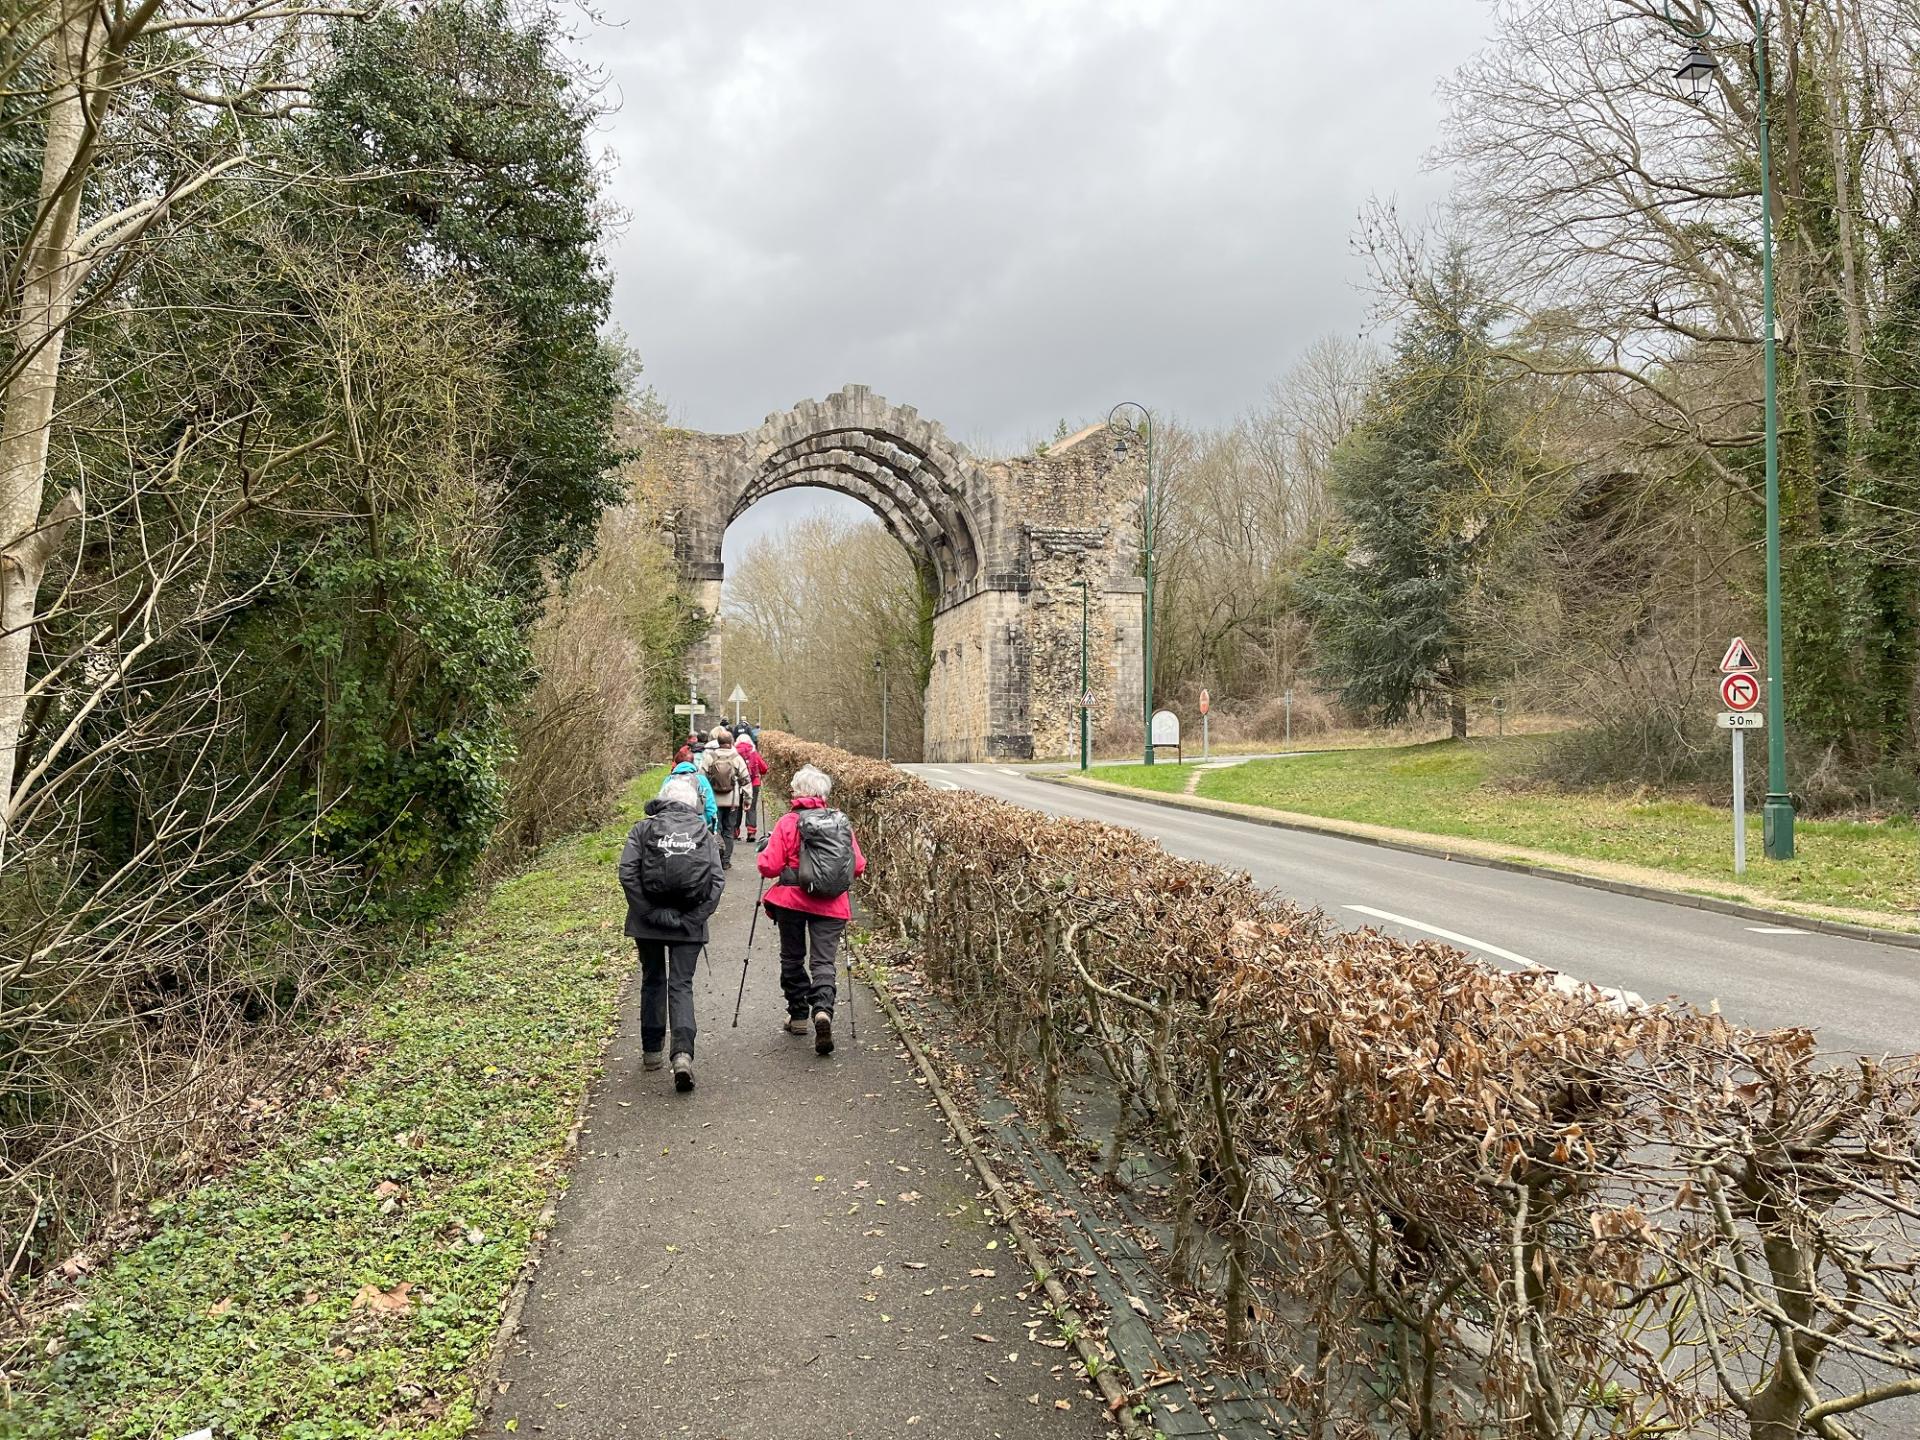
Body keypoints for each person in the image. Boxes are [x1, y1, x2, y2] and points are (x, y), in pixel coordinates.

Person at [618, 775, 725, 1092]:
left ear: (662, 799)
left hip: (646, 923)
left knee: (652, 979)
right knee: (681, 985)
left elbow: (627, 873)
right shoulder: (702, 833)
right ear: (693, 802)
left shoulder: (642, 829)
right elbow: (717, 882)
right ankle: (682, 1056)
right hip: (688, 925)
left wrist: (648, 912)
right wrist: (693, 918)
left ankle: (652, 1052)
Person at [757, 763, 866, 1056]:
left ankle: (798, 1016)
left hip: (791, 901)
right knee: (823, 962)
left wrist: (766, 849)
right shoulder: (840, 823)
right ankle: (823, 1011)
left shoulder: (787, 822)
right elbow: (858, 865)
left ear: (799, 792)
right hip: (830, 903)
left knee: (792, 957)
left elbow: (768, 866)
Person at [697, 727, 751, 866]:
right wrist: (747, 799)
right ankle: (726, 860)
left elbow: (701, 777)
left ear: (718, 742)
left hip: (714, 800)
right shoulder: (736, 758)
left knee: (715, 828)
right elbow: (745, 779)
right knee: (729, 830)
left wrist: (701, 798)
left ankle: (715, 858)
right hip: (732, 801)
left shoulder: (710, 757)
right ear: (731, 742)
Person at [671, 750, 718, 833]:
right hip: (697, 826)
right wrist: (712, 829)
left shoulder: (669, 780)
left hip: (673, 825)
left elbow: (661, 803)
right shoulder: (701, 779)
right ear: (693, 762)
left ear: (676, 763)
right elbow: (710, 807)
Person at [735, 731, 770, 842]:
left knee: (737, 807)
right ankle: (751, 832)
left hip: (738, 783)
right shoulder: (754, 753)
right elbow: (764, 768)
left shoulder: (734, 752)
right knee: (752, 807)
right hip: (753, 783)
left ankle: (734, 831)